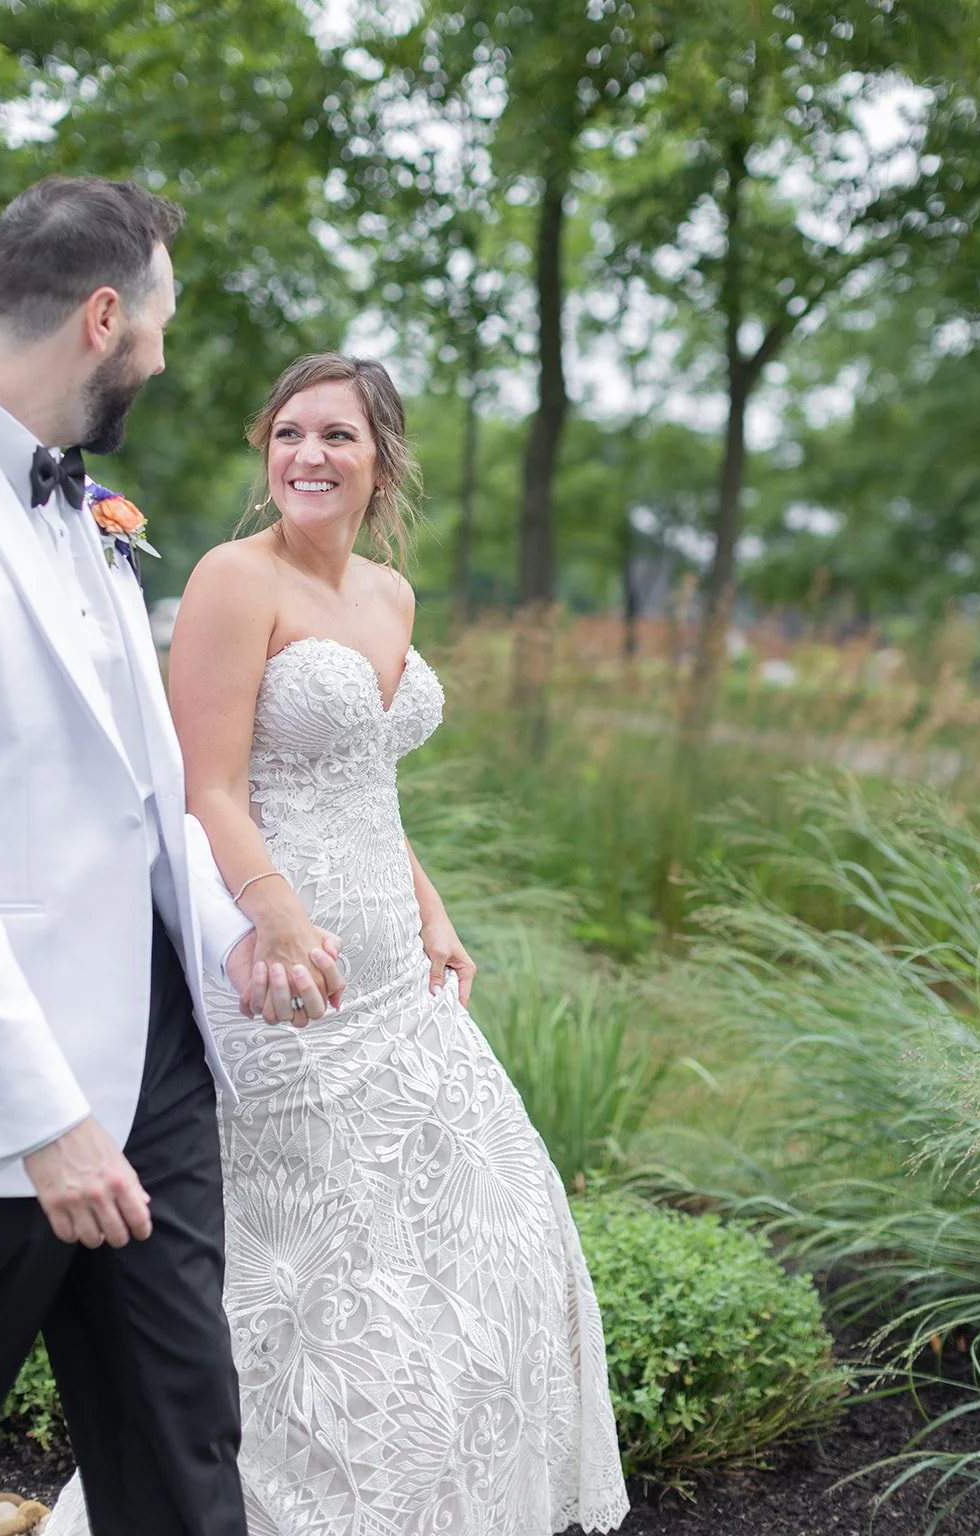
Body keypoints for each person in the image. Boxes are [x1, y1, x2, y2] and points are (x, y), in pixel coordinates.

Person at [48, 351, 631, 1535]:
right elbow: (203, 788)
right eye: (290, 434)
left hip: (395, 983)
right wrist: (275, 911)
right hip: (283, 977)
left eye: (339, 437)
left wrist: (433, 910)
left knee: (492, 1232)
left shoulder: (388, 597)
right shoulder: (229, 579)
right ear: (267, 455)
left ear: (381, 461)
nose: (309, 455)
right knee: (316, 1282)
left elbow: (369, 786)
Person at [0, 177, 341, 1536]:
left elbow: (145, 774)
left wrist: (231, 927)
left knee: (179, 1445)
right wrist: (43, 1121)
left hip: (157, 1073)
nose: (160, 359)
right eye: (156, 325)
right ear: (103, 317)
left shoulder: (89, 509)